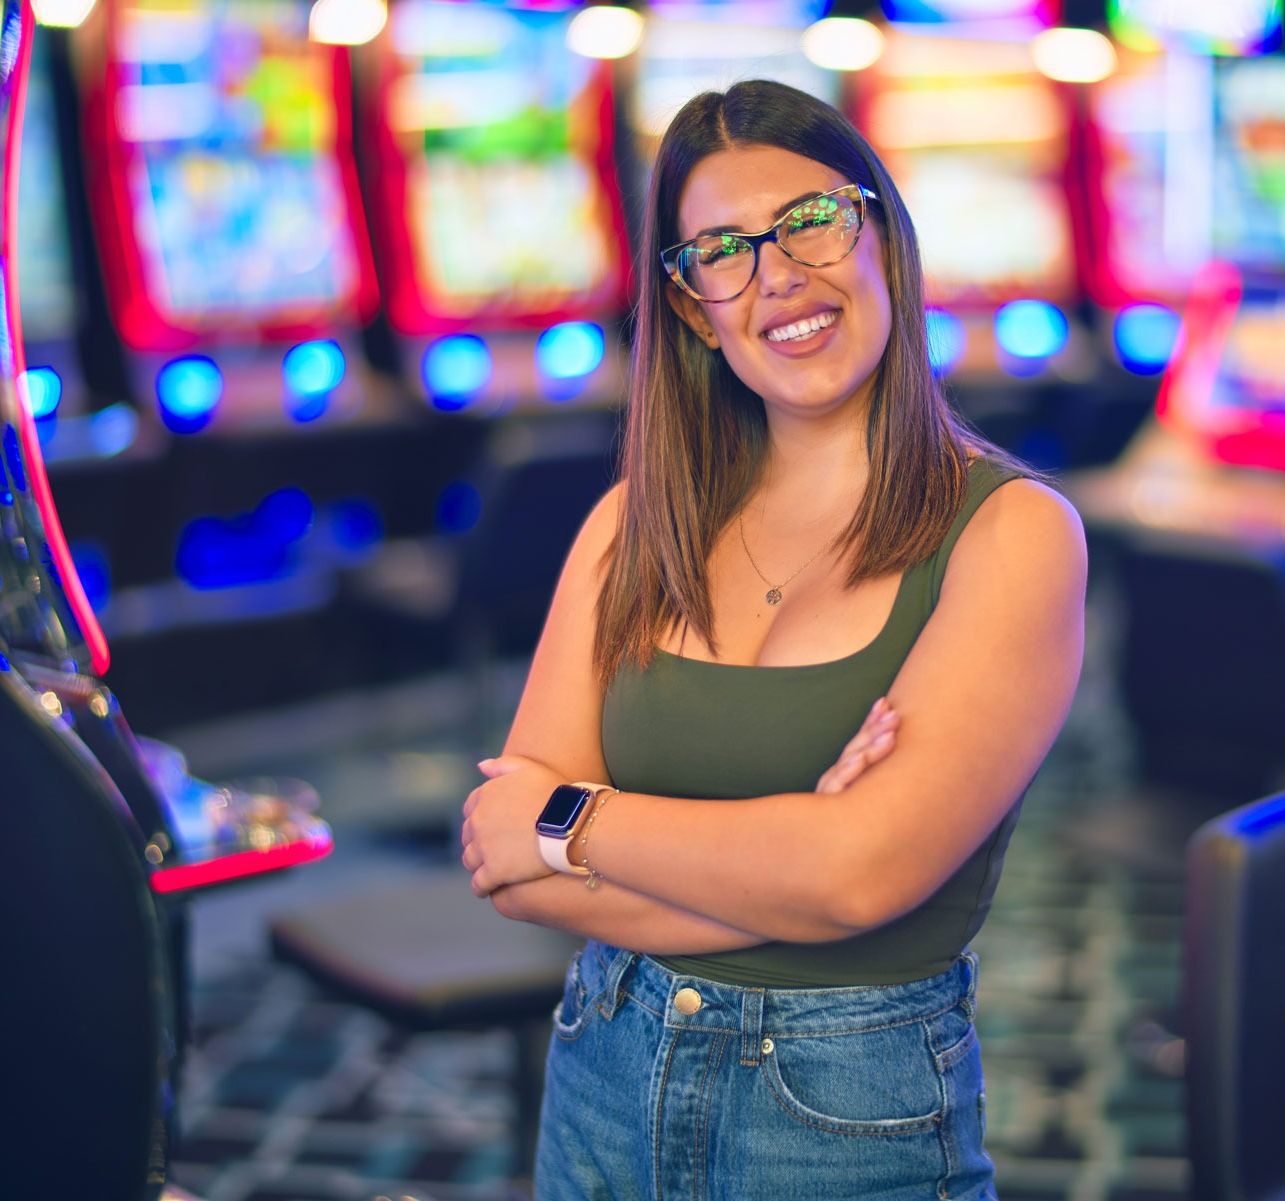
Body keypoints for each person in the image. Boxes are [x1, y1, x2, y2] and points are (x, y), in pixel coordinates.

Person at [459, 78, 1086, 1199]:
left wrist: (571, 822)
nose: (779, 276)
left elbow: (854, 877)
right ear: (695, 309)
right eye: (723, 251)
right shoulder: (630, 525)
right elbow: (506, 868)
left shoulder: (1013, 533)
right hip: (603, 1074)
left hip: (845, 1114)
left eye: (811, 221)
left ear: (883, 234)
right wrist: (791, 853)